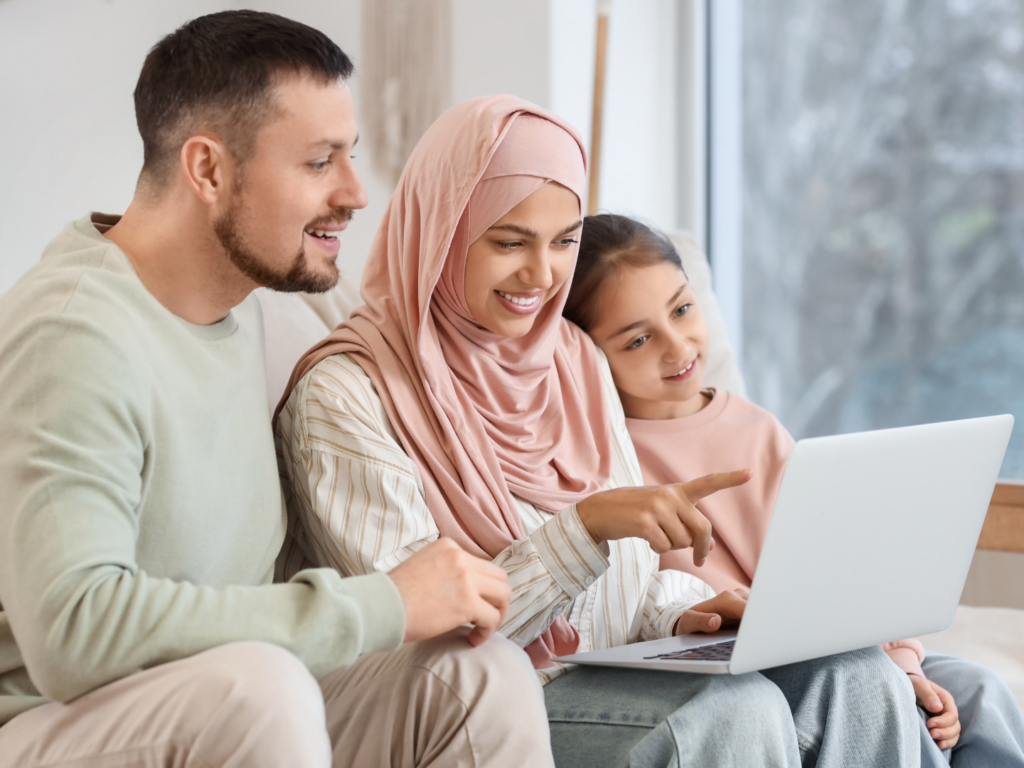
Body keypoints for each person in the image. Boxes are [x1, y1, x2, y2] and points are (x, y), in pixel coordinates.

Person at [275, 94, 922, 767]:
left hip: (617, 666)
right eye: (508, 242)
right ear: (443, 228)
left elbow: (633, 590)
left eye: (562, 242)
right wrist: (582, 530)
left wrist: (691, 612)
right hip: (497, 702)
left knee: (857, 677)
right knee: (738, 708)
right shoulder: (346, 394)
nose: (541, 274)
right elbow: (422, 632)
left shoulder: (571, 359)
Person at [0, 12, 556, 768]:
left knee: (473, 675)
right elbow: (73, 632)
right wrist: (384, 603)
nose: (358, 193)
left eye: (351, 156)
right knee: (260, 688)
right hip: (55, 722)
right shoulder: (72, 335)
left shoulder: (245, 309)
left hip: (226, 703)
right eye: (321, 162)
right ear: (208, 170)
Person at [562, 212, 1024, 768]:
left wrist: (906, 664)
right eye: (638, 340)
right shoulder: (602, 460)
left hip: (828, 644)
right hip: (740, 663)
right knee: (883, 701)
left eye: (682, 309)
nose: (677, 346)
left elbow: (838, 579)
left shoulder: (756, 429)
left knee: (979, 691)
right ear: (583, 355)